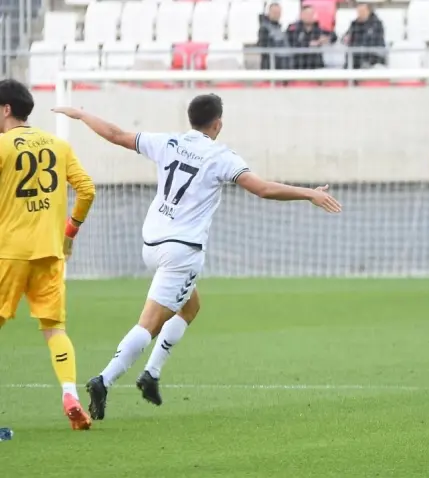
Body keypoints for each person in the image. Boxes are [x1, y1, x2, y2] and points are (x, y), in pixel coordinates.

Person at [52, 94, 342, 419]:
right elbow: (261, 188)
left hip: (151, 243)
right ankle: (104, 379)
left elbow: (116, 135)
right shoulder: (221, 157)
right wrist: (309, 193)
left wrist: (81, 114)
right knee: (149, 324)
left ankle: (152, 374)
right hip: (182, 251)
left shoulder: (168, 142)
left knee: (190, 305)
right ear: (218, 123)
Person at [0, 79, 96, 430]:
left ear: (6, 109)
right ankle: (69, 393)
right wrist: (69, 233)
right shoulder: (58, 145)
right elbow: (87, 190)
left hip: (8, 253)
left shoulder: (2, 146)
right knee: (55, 328)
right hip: (50, 252)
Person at [342, 3, 386, 69]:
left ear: (368, 11)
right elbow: (345, 37)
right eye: (358, 12)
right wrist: (346, 38)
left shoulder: (376, 24)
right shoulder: (354, 24)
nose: (360, 14)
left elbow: (374, 44)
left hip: (371, 61)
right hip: (353, 60)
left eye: (362, 11)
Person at [257, 3, 291, 70]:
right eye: (274, 12)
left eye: (278, 12)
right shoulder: (264, 29)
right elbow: (264, 48)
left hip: (283, 66)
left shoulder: (280, 28)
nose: (276, 14)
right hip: (271, 67)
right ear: (269, 12)